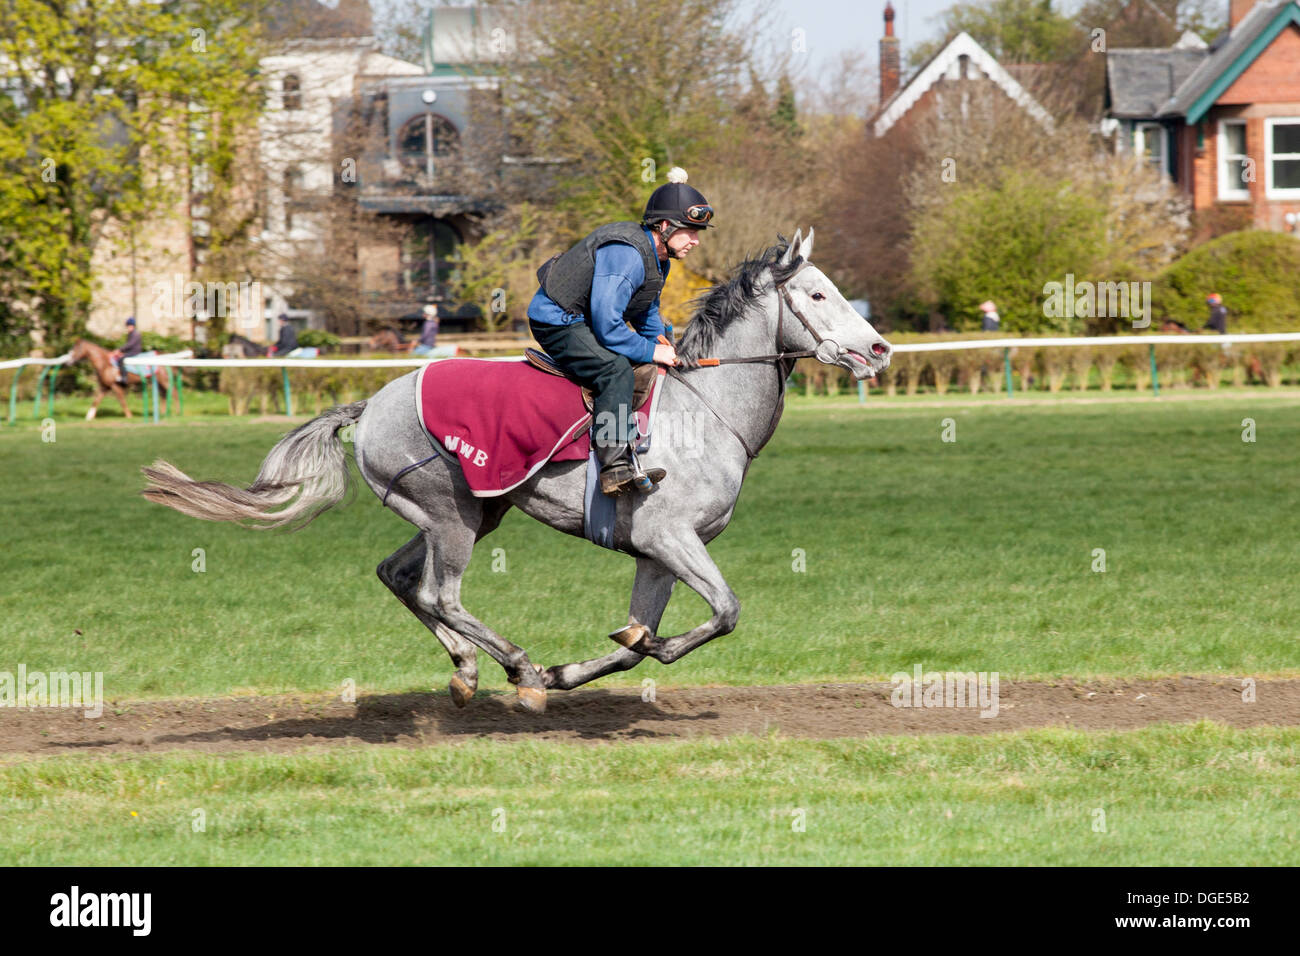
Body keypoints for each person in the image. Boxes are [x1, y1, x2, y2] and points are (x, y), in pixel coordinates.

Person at [527, 166, 712, 495]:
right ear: (666, 226)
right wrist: (651, 351)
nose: (696, 241)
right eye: (691, 231)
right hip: (557, 321)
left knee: (650, 360)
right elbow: (608, 325)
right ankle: (613, 468)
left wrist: (662, 342)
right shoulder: (626, 254)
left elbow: (645, 310)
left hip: (585, 320)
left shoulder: (660, 259)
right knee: (614, 370)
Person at [111, 316, 143, 385]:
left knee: (121, 359)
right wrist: (121, 351)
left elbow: (130, 345)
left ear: (133, 326)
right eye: (128, 326)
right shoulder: (131, 334)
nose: (128, 327)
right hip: (131, 351)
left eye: (129, 326)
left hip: (134, 352)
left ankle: (124, 377)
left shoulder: (136, 334)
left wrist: (119, 350)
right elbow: (128, 345)